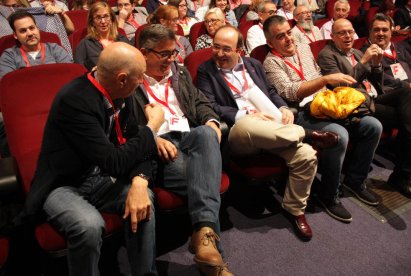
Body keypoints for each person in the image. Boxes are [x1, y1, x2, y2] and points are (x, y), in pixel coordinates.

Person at [14, 42, 165, 276]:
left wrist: (139, 181)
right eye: (139, 78)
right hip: (64, 184)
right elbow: (115, 161)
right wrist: (153, 126)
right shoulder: (75, 100)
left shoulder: (118, 93)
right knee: (89, 226)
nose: (141, 83)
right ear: (122, 78)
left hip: (101, 178)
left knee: (144, 200)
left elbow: (136, 144)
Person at [197, 25, 340, 241]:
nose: (219, 53)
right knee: (248, 124)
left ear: (240, 51)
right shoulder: (205, 70)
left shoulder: (254, 65)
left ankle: (295, 209)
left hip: (274, 130)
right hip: (241, 134)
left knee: (307, 156)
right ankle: (307, 134)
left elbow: (271, 92)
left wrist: (282, 108)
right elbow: (210, 105)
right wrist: (245, 113)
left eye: (226, 49)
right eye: (216, 47)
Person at [134, 24, 233, 276]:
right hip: (160, 147)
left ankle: (204, 237)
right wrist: (151, 137)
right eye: (163, 54)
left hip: (190, 138)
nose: (171, 59)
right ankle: (212, 255)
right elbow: (122, 125)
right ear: (144, 53)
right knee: (206, 179)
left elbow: (199, 101)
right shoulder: (130, 80)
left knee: (205, 132)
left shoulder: (179, 72)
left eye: (173, 52)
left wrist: (211, 120)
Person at [263, 16, 382, 223]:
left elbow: (318, 75)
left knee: (373, 125)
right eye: (280, 37)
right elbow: (291, 92)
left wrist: (328, 87)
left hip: (328, 103)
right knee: (339, 135)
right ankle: (329, 195)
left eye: (289, 33)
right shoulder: (270, 62)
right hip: (302, 112)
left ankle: (355, 180)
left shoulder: (304, 47)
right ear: (270, 42)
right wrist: (325, 80)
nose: (288, 39)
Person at [320, 18, 411, 199]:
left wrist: (377, 66)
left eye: (350, 32)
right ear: (332, 37)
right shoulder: (328, 55)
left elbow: (377, 86)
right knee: (408, 112)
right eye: (341, 33)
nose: (347, 36)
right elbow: (341, 87)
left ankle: (404, 171)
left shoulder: (354, 51)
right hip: (353, 104)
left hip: (373, 99)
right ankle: (404, 173)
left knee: (409, 100)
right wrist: (363, 61)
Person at [0, 10, 72, 78]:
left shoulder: (55, 49)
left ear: (37, 29)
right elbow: (8, 85)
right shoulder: (9, 56)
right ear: (15, 35)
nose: (30, 33)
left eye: (32, 28)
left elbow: (70, 75)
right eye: (23, 31)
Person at [74, 2, 130, 70]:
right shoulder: (85, 44)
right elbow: (78, 71)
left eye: (106, 16)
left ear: (111, 19)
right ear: (92, 22)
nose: (103, 21)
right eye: (98, 17)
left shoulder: (122, 40)